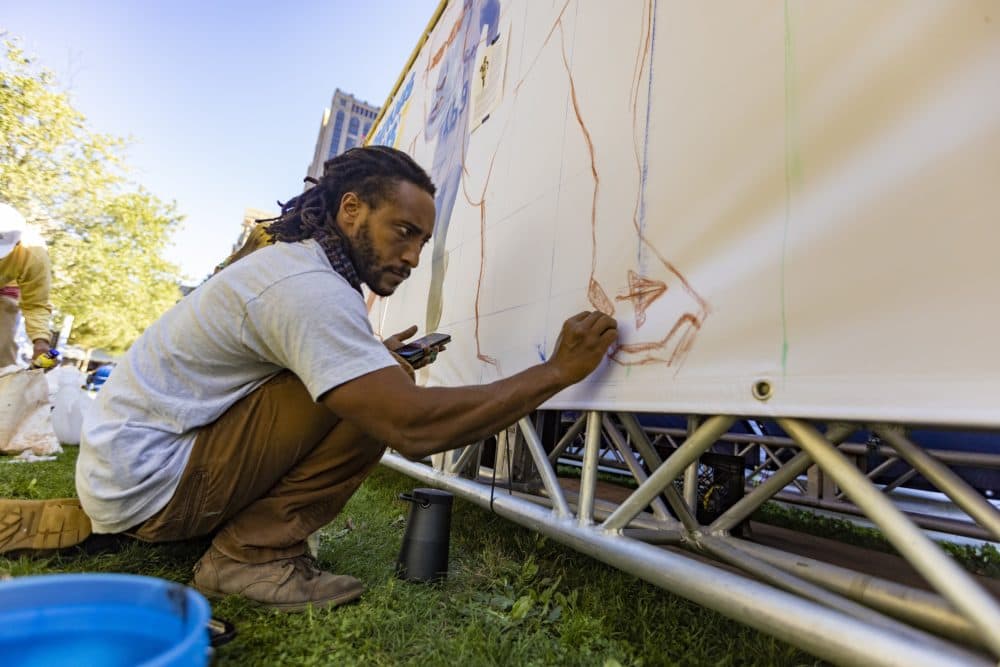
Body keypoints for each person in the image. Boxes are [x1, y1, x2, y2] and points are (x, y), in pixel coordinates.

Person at [0, 146, 618, 613]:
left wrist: (371, 358)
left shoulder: (298, 271)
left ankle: (193, 529)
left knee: (379, 373)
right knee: (382, 396)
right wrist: (556, 371)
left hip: (129, 471)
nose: (411, 256)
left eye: (422, 242)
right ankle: (252, 558)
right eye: (403, 232)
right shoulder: (306, 289)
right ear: (351, 209)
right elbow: (411, 426)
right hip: (150, 486)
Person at [0, 202, 53, 368]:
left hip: (4, 286)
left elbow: (35, 304)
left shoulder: (33, 255)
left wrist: (40, 340)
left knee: (2, 343)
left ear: (17, 244)